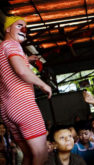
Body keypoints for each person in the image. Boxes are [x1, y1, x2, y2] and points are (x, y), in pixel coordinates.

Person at [0, 16, 52, 165]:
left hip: (6, 109)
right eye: (19, 26)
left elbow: (8, 70)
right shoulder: (12, 44)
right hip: (23, 105)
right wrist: (42, 84)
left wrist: (26, 59)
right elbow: (21, 71)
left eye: (25, 27)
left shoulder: (2, 48)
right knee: (41, 155)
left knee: (29, 156)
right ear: (8, 28)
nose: (24, 29)